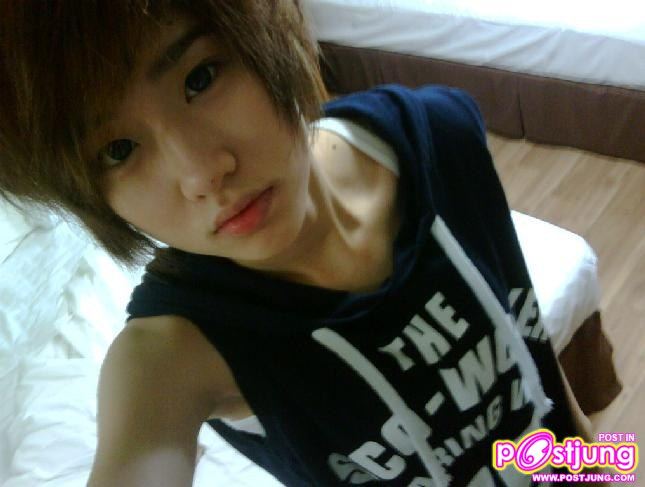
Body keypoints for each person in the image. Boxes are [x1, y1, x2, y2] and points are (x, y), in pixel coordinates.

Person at [0, 1, 591, 485]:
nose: (203, 173)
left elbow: (530, 352)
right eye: (119, 150)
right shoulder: (174, 357)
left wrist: (600, 466)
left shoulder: (442, 133)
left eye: (200, 78)